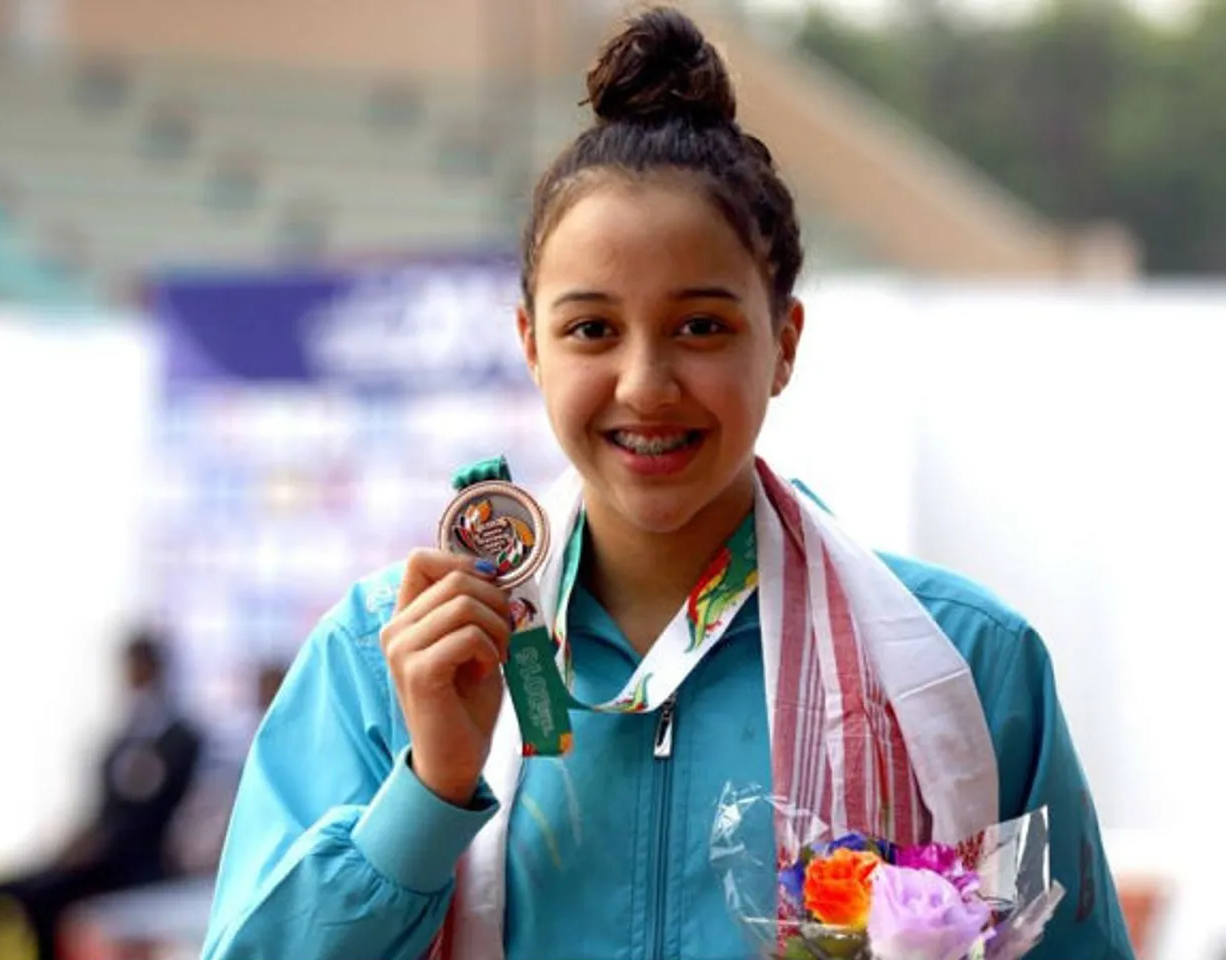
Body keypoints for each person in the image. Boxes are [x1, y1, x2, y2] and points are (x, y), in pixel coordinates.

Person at [200, 9, 1136, 960]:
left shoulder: (961, 666)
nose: (645, 385)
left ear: (786, 344)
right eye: (592, 329)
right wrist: (432, 787)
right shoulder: (385, 662)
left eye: (701, 327)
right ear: (530, 344)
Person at [0, 628, 202, 960]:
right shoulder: (123, 733)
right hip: (94, 852)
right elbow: (106, 804)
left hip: (130, 862)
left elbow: (156, 814)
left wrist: (101, 845)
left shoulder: (180, 736)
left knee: (44, 900)